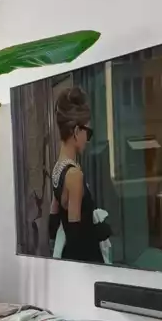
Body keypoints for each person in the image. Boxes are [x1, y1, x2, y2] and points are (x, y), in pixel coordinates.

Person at [48, 86, 110, 263]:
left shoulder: (57, 168)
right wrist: (98, 231)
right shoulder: (74, 175)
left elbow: (52, 226)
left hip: (70, 262)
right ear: (76, 131)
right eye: (87, 132)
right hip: (86, 263)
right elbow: (76, 239)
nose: (88, 139)